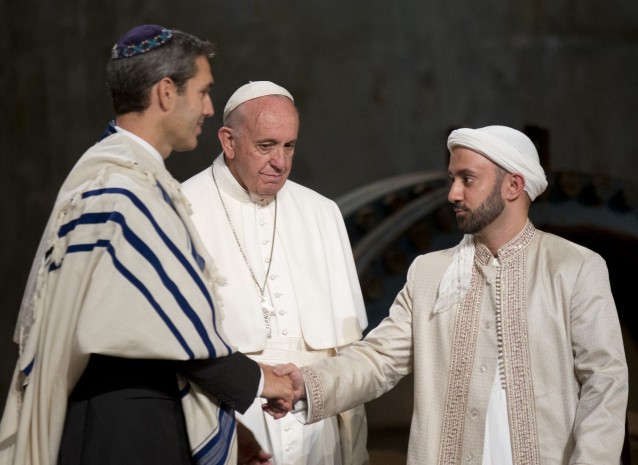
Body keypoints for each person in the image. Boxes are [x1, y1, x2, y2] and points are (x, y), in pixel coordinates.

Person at [0, 25, 294, 465]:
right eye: (203, 92)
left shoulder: (113, 175)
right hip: (124, 430)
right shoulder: (125, 189)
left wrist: (235, 429)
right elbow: (173, 325)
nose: (210, 109)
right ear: (165, 92)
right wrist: (256, 380)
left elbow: (154, 329)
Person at [273, 125, 629, 465]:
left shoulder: (574, 267)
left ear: (513, 186)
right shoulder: (429, 273)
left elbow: (605, 380)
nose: (453, 193)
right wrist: (309, 383)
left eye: (467, 180)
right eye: (453, 179)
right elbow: (379, 359)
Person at [181, 81, 370, 465]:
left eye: (289, 146)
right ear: (228, 141)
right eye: (266, 146)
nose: (280, 162)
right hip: (231, 419)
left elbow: (349, 351)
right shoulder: (182, 209)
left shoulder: (321, 212)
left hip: (316, 421)